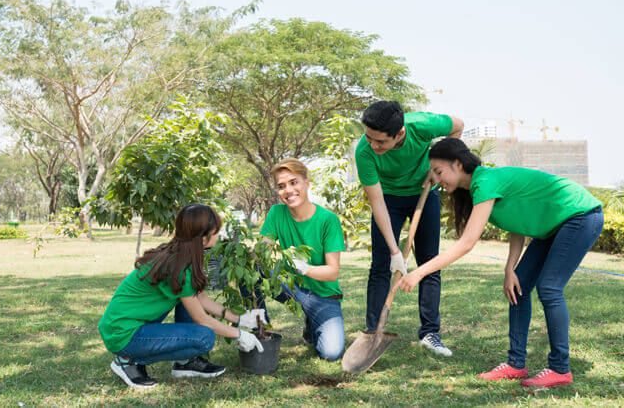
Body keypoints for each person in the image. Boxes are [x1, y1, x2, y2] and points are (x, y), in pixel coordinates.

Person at [397, 138, 603, 388]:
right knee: (519, 286)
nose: (439, 180)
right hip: (556, 225)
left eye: (440, 172)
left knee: (549, 288)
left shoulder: (485, 182)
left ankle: (560, 369)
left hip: (579, 215)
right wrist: (509, 269)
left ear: (458, 164)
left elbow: (467, 243)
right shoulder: (479, 188)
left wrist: (419, 272)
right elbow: (517, 222)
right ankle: (516, 364)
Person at [98, 204, 266, 390]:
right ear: (203, 238)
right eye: (216, 231)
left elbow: (200, 298)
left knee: (190, 307)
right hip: (123, 333)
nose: (219, 235)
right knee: (205, 338)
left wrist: (239, 318)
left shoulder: (179, 256)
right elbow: (201, 318)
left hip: (131, 324)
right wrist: (239, 334)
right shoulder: (177, 268)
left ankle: (184, 362)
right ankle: (126, 360)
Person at [355, 100, 464, 356]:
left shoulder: (421, 126)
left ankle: (430, 333)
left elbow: (458, 127)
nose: (373, 145)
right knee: (381, 265)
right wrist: (395, 251)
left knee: (429, 263)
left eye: (380, 141)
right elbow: (377, 200)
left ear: (400, 133)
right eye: (369, 137)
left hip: (424, 195)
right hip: (388, 200)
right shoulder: (364, 151)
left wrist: (438, 168)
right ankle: (373, 331)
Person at [254, 158, 347, 361]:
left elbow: (333, 271)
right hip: (291, 287)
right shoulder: (277, 213)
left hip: (323, 296)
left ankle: (312, 326)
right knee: (252, 271)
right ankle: (260, 332)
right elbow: (261, 252)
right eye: (281, 186)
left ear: (307, 183)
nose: (288, 190)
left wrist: (305, 269)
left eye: (294, 182)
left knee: (331, 353)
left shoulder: (327, 220)